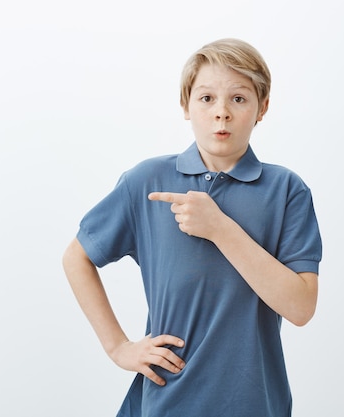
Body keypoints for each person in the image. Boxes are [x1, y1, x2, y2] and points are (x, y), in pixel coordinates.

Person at [62, 38, 322, 417]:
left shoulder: (286, 191)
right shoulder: (147, 182)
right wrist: (119, 347)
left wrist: (220, 228)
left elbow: (300, 307)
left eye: (238, 98)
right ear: (186, 105)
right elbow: (76, 257)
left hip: (255, 404)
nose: (222, 113)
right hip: (165, 401)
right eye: (206, 98)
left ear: (261, 108)